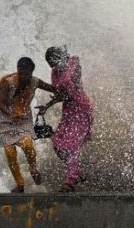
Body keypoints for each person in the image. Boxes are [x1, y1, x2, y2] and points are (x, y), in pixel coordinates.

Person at [37, 47, 93, 192]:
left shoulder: (73, 65)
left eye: (51, 62)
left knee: (68, 145)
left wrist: (56, 98)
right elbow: (62, 94)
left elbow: (70, 86)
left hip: (80, 109)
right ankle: (77, 172)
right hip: (68, 110)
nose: (50, 66)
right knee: (57, 143)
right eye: (48, 63)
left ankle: (71, 179)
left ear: (58, 58)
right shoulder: (56, 72)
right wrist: (47, 106)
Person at [0, 57, 55, 193]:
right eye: (21, 73)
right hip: (6, 121)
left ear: (31, 72)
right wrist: (11, 115)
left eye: (26, 74)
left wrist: (49, 103)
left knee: (28, 144)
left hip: (23, 120)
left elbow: (53, 89)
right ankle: (19, 184)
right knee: (10, 152)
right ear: (17, 70)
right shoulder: (8, 82)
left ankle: (33, 169)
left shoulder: (35, 81)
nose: (23, 76)